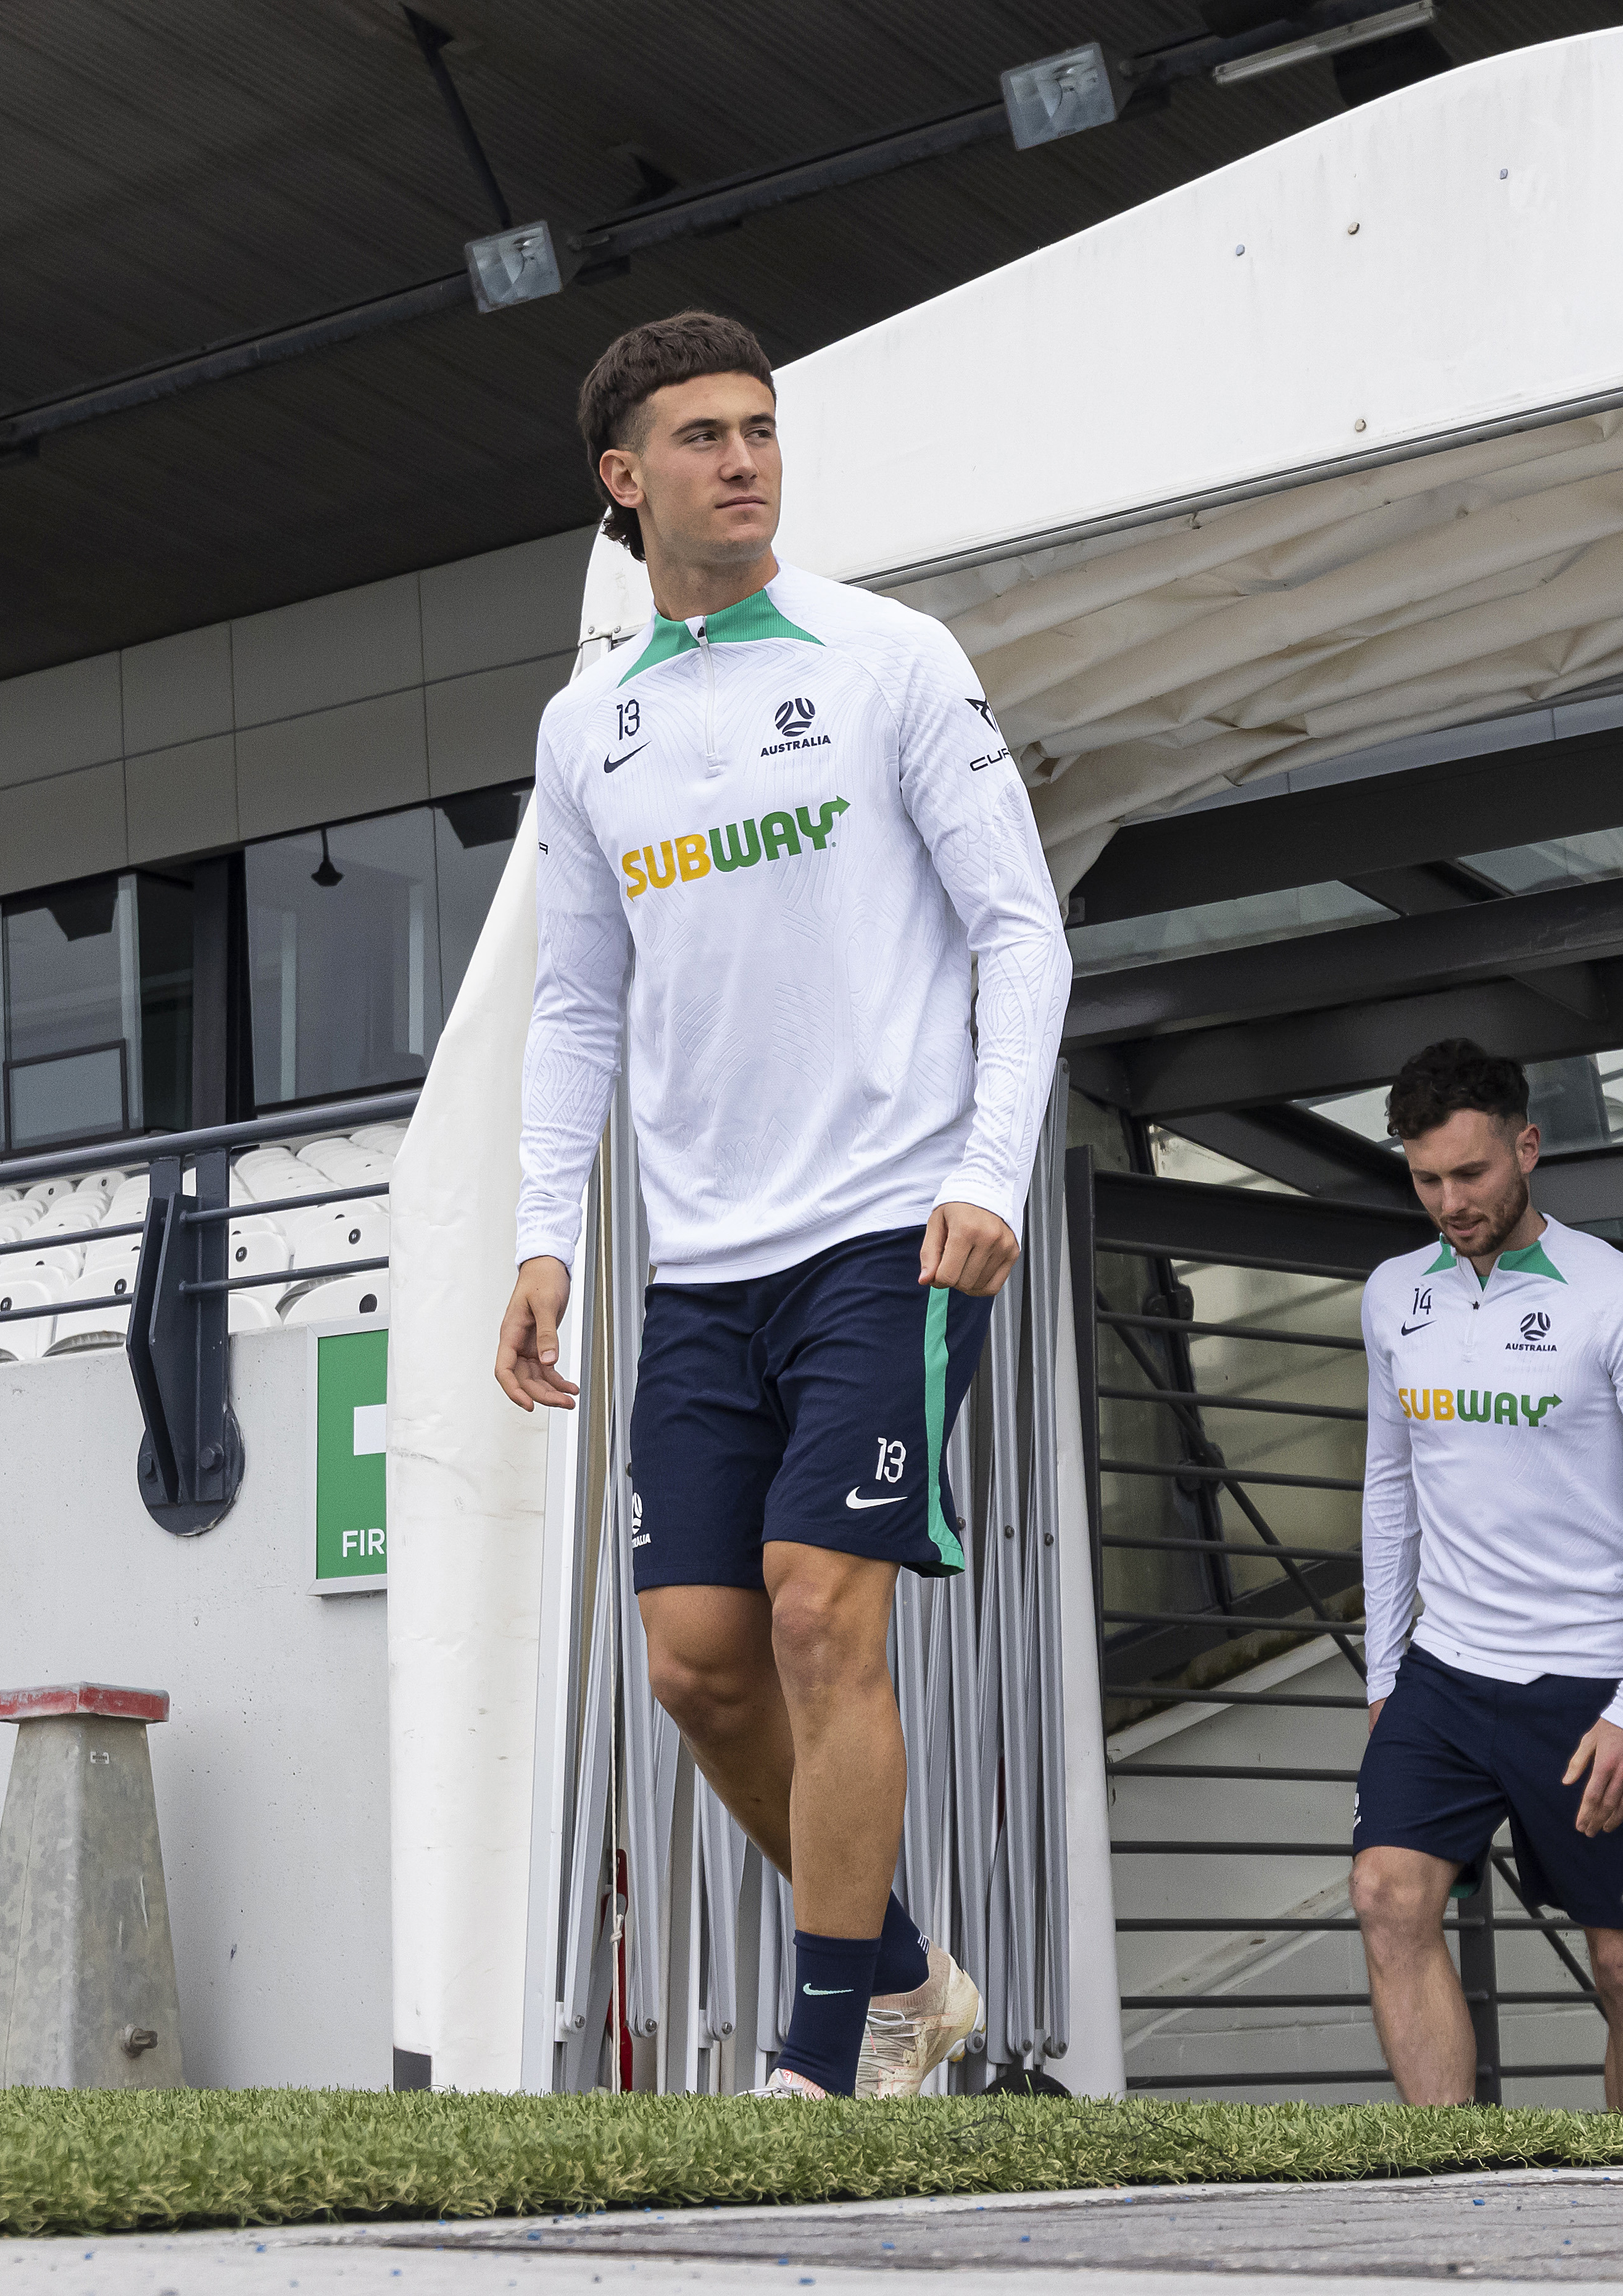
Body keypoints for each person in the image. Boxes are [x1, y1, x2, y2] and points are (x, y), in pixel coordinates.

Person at [492, 311, 1071, 2101]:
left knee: (821, 1616)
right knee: (697, 1666)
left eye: (759, 429)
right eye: (702, 436)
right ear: (624, 478)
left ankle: (829, 2056)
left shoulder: (893, 656)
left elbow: (1022, 932)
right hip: (700, 1267)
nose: (743, 459)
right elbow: (576, 999)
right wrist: (542, 1234)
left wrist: (986, 1173)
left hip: (889, 1236)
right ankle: (906, 1973)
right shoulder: (586, 727)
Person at [1348, 1038, 1623, 2115]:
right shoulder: (1393, 1295)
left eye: (1471, 1173)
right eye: (1427, 1179)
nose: (1451, 1202)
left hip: (1593, 1682)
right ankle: (1450, 2177)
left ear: (1527, 1146)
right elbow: (1389, 1486)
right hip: (1446, 1671)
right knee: (1387, 1896)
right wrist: (1385, 1674)